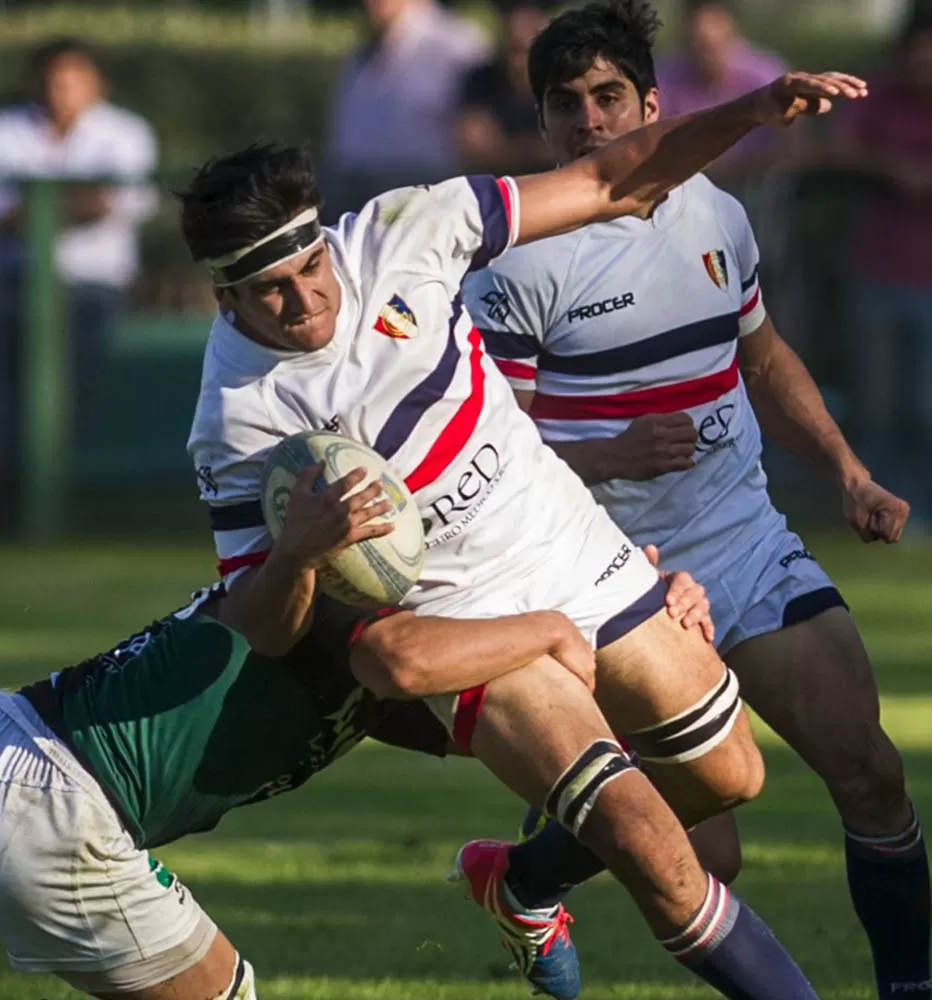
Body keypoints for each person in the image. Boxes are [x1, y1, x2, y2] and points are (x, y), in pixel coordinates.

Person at [179, 55, 866, 999]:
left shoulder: (401, 232)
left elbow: (607, 179)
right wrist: (298, 550)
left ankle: (520, 878)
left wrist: (749, 109)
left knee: (728, 780)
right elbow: (262, 626)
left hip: (577, 554)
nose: (306, 303)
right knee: (656, 854)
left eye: (308, 268)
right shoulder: (235, 419)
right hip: (470, 629)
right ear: (224, 296)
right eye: (271, 293)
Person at [0, 562, 712, 1000]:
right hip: (56, 809)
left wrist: (640, 632)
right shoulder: (338, 614)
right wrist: (572, 617)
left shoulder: (400, 676)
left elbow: (533, 747)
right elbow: (401, 655)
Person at [462, 3, 928, 997]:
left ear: (653, 104)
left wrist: (846, 470)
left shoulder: (717, 210)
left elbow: (762, 355)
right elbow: (492, 454)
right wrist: (616, 449)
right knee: (708, 857)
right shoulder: (512, 257)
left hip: (745, 539)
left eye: (608, 97)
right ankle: (524, 877)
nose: (588, 120)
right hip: (614, 571)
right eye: (565, 103)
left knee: (873, 773)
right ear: (543, 121)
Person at [0, 38, 158, 534]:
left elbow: (116, 205)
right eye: (52, 79)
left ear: (95, 84)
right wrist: (71, 203)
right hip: (11, 285)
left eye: (72, 80)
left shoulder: (124, 134)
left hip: (89, 290)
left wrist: (36, 208)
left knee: (70, 384)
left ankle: (65, 502)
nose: (60, 91)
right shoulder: (3, 131)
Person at [835, 7, 932, 529]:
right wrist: (892, 171)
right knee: (878, 406)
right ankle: (876, 508)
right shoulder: (879, 101)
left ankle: (924, 510)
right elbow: (839, 150)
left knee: (926, 407)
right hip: (877, 272)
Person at [322, 0, 489, 215]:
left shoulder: (459, 46)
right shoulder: (361, 53)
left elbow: (479, 139)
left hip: (424, 204)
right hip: (350, 198)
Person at [654, 0, 790, 184]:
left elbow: (795, 139)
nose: (705, 56)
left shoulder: (765, 75)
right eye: (698, 46)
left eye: (712, 47)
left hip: (757, 183)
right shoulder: (666, 76)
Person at [456, 0, 554, 176]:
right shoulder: (480, 80)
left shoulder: (560, 79)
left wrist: (505, 150)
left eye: (523, 49)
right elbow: (476, 150)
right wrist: (537, 150)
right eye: (514, 48)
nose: (518, 60)